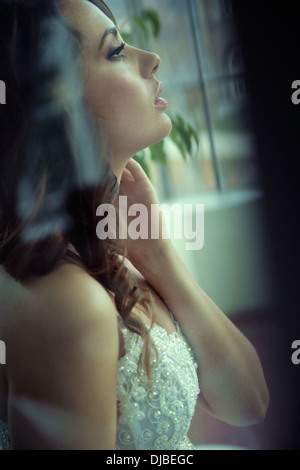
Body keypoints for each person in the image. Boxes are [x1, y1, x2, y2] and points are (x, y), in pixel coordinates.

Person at [0, 0, 269, 450]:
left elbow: (249, 403)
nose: (152, 58)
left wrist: (158, 255)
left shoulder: (102, 253)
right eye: (115, 51)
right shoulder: (66, 302)